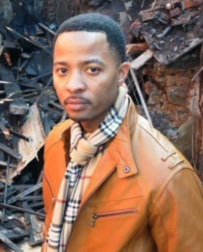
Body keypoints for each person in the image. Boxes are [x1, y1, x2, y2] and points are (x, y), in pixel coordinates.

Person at [41, 13, 203, 252]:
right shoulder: (57, 142)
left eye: (92, 69)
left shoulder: (168, 176)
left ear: (121, 73)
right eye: (62, 70)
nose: (73, 85)